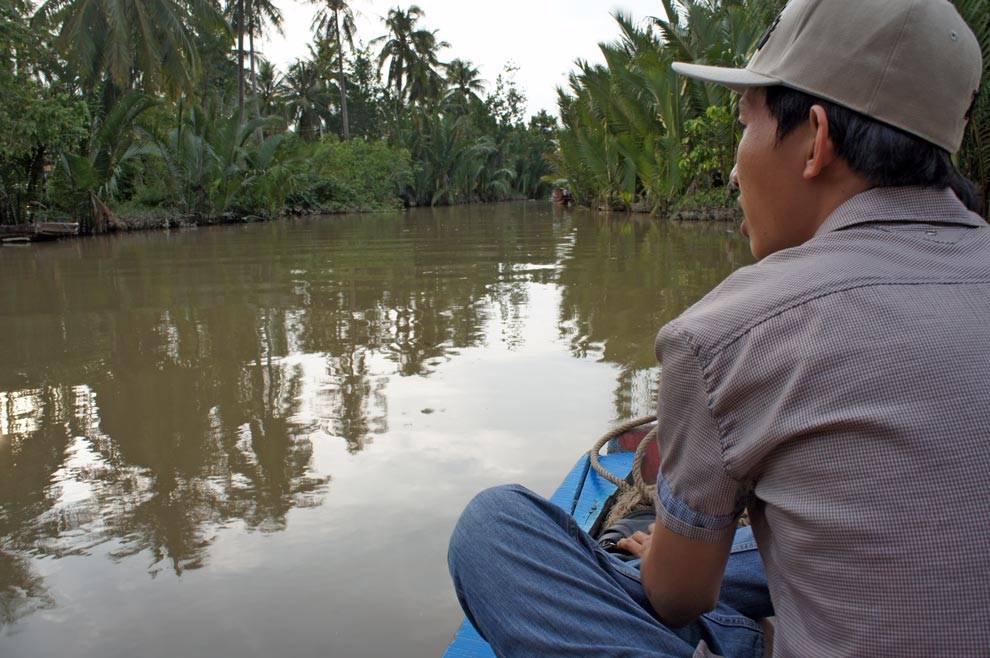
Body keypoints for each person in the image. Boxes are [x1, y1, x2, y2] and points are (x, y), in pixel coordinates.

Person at [448, 0, 989, 655]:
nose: (734, 171)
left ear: (815, 140)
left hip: (697, 587)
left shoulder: (729, 331)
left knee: (492, 529)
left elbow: (677, 598)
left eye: (745, 126)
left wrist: (668, 563)